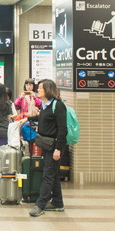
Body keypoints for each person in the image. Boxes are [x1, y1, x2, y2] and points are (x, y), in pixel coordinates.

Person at [27, 79, 68, 217]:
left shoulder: (59, 105)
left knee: (48, 175)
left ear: (48, 90)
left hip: (54, 146)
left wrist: (58, 149)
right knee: (53, 174)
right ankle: (58, 202)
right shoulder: (46, 105)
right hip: (46, 144)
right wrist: (28, 119)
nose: (38, 90)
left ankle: (40, 204)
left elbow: (63, 129)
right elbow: (43, 118)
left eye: (40, 88)